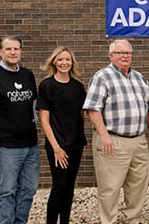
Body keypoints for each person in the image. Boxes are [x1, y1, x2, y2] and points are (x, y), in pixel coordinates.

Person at [83, 39, 149, 224]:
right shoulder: (102, 77)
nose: (125, 56)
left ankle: (133, 219)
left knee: (138, 184)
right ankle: (108, 220)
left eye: (128, 53)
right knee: (110, 187)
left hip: (139, 140)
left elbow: (148, 108)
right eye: (120, 53)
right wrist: (103, 135)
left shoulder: (140, 78)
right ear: (111, 55)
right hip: (112, 140)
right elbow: (93, 109)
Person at [0, 36, 40, 224]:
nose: (13, 52)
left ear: (21, 51)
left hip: (30, 146)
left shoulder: (27, 75)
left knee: (29, 189)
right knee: (8, 190)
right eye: (8, 49)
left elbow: (34, 107)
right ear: (0, 51)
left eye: (16, 49)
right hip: (6, 147)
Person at [37, 46, 87, 224]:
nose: (64, 63)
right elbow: (44, 120)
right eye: (60, 59)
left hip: (76, 144)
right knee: (59, 186)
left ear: (72, 63)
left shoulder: (78, 87)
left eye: (67, 59)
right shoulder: (46, 86)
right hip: (57, 146)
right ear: (54, 62)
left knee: (70, 187)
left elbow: (81, 116)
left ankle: (64, 221)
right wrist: (56, 148)